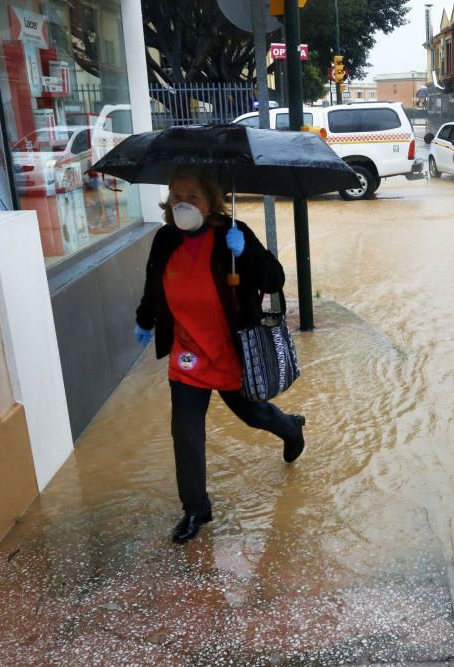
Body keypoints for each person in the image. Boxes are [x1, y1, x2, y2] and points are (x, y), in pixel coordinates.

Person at [134, 166, 306, 544]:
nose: (182, 203)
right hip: (187, 356)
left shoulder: (234, 234)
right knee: (186, 433)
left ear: (212, 201)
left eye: (192, 196)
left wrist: (245, 256)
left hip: (231, 353)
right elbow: (153, 283)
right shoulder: (165, 239)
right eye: (176, 196)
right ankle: (195, 508)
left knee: (253, 414)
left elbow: (273, 280)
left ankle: (291, 428)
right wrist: (144, 320)